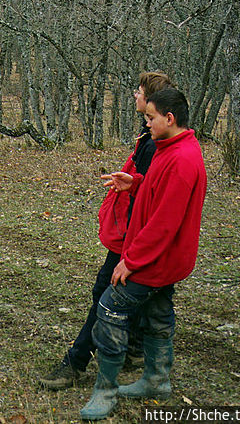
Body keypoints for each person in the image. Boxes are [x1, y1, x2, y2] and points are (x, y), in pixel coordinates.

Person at [39, 71, 174, 391]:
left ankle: (76, 362)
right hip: (134, 231)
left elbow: (156, 202)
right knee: (149, 298)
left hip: (136, 235)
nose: (135, 96)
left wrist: (133, 239)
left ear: (153, 102)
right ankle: (134, 349)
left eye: (139, 93)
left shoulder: (159, 145)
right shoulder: (150, 135)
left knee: (106, 293)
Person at [79, 87, 207, 420]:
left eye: (150, 118)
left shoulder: (182, 159)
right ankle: (156, 380)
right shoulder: (173, 147)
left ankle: (105, 391)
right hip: (166, 259)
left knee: (110, 306)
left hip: (157, 259)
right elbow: (157, 189)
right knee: (157, 312)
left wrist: (131, 261)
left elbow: (164, 224)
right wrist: (135, 183)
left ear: (170, 118)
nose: (146, 123)